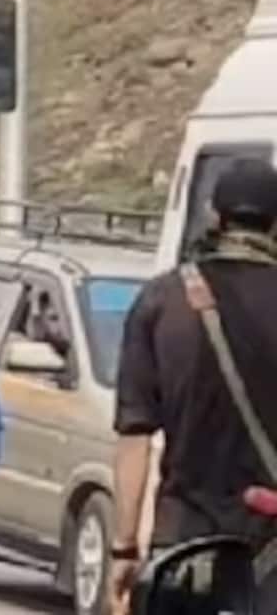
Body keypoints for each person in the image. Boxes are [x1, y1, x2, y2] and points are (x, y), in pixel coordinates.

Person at [112, 159, 277, 615]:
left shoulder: (162, 301)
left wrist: (124, 551)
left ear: (213, 215)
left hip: (184, 548)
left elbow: (134, 437)